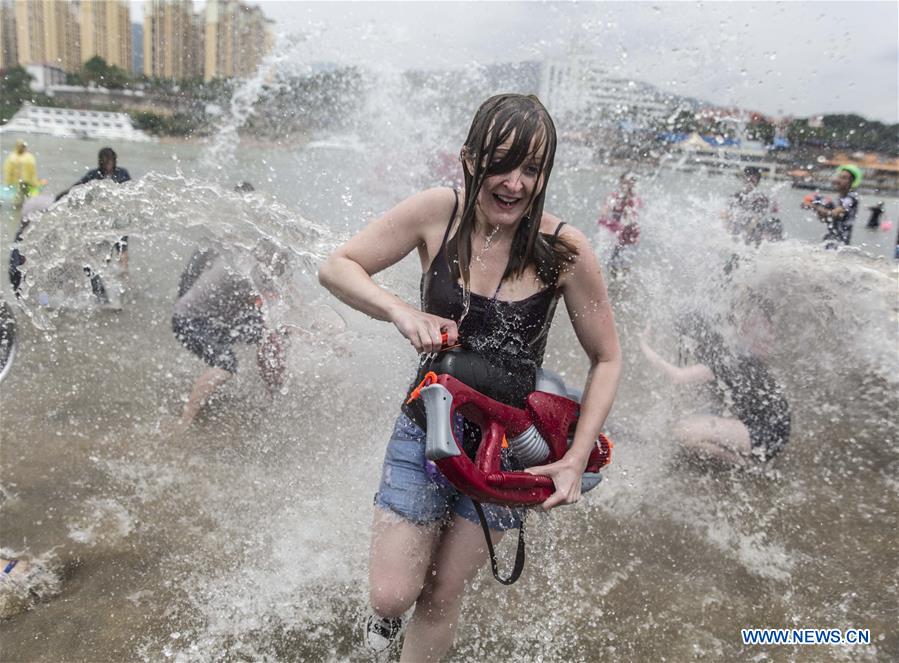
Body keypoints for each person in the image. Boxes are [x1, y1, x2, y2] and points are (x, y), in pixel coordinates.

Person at [318, 94, 621, 660]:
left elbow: (607, 358)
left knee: (440, 593)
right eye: (501, 163)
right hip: (426, 426)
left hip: (510, 449)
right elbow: (337, 266)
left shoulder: (564, 250)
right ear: (469, 157)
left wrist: (576, 459)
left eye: (532, 169)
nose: (514, 183)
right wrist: (400, 310)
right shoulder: (439, 212)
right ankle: (384, 626)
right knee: (391, 594)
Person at [639, 304, 790, 466]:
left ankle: (744, 464)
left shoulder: (719, 360)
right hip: (777, 429)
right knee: (692, 425)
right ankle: (749, 457)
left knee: (683, 432)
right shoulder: (731, 353)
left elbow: (678, 377)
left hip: (766, 433)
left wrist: (644, 346)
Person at [168, 241, 289, 434]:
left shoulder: (240, 258)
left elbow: (203, 249)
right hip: (189, 322)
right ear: (265, 258)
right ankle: (184, 421)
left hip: (212, 318)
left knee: (269, 335)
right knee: (226, 365)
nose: (281, 269)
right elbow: (275, 309)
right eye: (280, 264)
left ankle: (272, 394)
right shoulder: (248, 275)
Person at [801, 164, 861, 248]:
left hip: (840, 243)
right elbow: (827, 218)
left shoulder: (851, 198)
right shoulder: (841, 198)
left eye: (844, 178)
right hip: (831, 239)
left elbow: (835, 213)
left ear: (851, 182)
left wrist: (814, 206)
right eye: (839, 177)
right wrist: (817, 207)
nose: (839, 180)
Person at [723, 167, 782, 246]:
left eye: (752, 181)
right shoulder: (735, 197)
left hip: (752, 233)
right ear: (743, 180)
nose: (749, 184)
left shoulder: (762, 199)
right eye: (747, 180)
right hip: (737, 230)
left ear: (757, 183)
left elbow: (756, 219)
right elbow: (726, 216)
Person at [596, 172, 642, 274]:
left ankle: (620, 283)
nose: (628, 185)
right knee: (610, 262)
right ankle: (612, 285)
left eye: (631, 183)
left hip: (630, 236)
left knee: (625, 266)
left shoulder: (635, 200)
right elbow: (604, 212)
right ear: (620, 183)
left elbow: (635, 218)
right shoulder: (614, 197)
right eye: (625, 182)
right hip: (614, 234)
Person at [3, 140, 41, 215]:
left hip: (27, 181)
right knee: (18, 199)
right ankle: (18, 213)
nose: (22, 148)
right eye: (21, 146)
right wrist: (8, 182)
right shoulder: (12, 157)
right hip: (16, 182)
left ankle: (27, 212)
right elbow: (7, 170)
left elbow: (33, 171)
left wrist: (35, 182)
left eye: (24, 147)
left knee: (28, 197)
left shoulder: (29, 157)